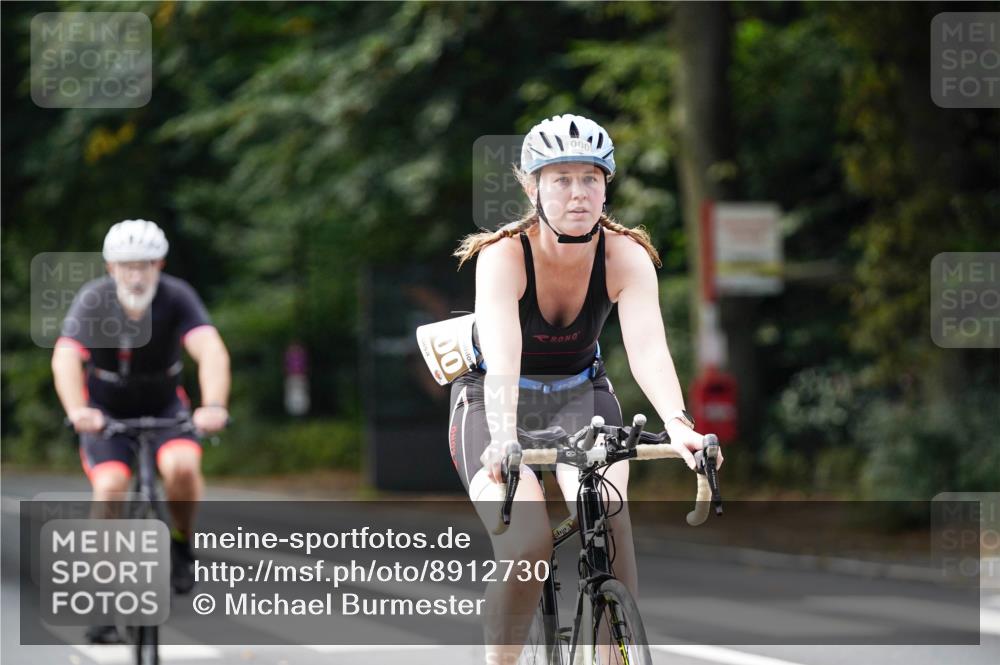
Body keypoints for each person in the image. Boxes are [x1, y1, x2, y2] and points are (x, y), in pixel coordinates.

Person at [449, 114, 723, 663]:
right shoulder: (503, 255)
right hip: (493, 400)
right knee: (527, 546)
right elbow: (502, 358)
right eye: (561, 179)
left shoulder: (626, 254)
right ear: (532, 187)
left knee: (610, 520)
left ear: (607, 184)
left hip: (580, 394)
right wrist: (504, 437)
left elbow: (647, 348)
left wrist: (678, 425)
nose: (578, 193)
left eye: (591, 179)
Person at [51, 219, 230, 643]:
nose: (136, 275)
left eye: (145, 265)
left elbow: (210, 349)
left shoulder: (176, 296)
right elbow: (65, 356)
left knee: (183, 467)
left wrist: (215, 405)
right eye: (126, 266)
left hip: (166, 408)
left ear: (159, 264)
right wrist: (78, 410)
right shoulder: (93, 300)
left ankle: (181, 542)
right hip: (105, 412)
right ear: (111, 268)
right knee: (111, 485)